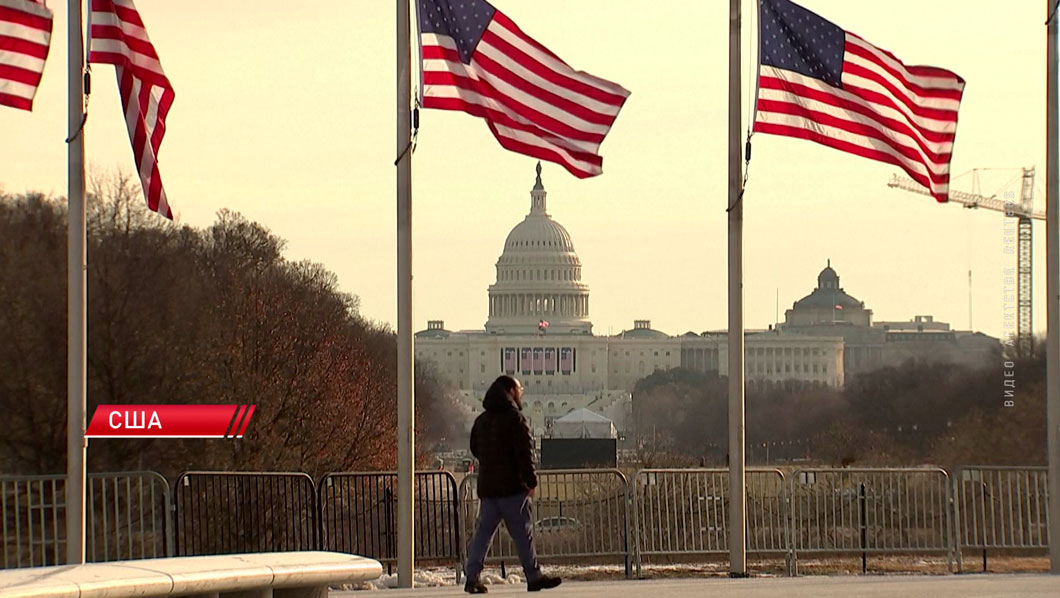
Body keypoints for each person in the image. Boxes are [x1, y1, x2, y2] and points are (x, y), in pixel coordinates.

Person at [463, 375, 561, 594]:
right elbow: (524, 453)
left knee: (483, 535)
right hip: (512, 488)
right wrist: (530, 481)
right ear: (510, 390)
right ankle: (533, 576)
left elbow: (475, 449)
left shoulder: (482, 420)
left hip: (488, 488)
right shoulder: (515, 419)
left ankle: (471, 577)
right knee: (522, 534)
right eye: (520, 388)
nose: (522, 392)